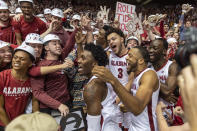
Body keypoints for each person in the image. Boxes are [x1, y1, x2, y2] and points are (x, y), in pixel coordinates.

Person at [93, 46, 160, 131]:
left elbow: (137, 108)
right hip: (134, 126)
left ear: (141, 60)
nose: (126, 58)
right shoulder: (136, 76)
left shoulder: (149, 75)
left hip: (146, 128)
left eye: (130, 56)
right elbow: (138, 102)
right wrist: (128, 106)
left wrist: (113, 80)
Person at [80, 44, 122, 131]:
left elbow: (93, 128)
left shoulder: (93, 86)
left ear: (94, 64)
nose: (78, 60)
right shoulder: (102, 78)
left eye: (83, 58)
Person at [31, 34, 71, 117]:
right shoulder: (41, 65)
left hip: (66, 104)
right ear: (46, 48)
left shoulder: (61, 61)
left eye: (59, 43)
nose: (58, 46)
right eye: (54, 43)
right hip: (49, 108)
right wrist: (58, 105)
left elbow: (70, 44)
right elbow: (38, 92)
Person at [0, 44, 39, 130]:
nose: (17, 60)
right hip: (3, 123)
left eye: (22, 59)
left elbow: (35, 101)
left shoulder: (32, 80)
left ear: (30, 63)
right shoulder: (2, 77)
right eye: (15, 57)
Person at [148, 38, 179, 124]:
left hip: (166, 112)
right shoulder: (148, 68)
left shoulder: (172, 66)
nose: (150, 50)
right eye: (149, 48)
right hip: (151, 112)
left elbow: (167, 91)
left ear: (164, 51)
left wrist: (150, 76)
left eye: (154, 48)